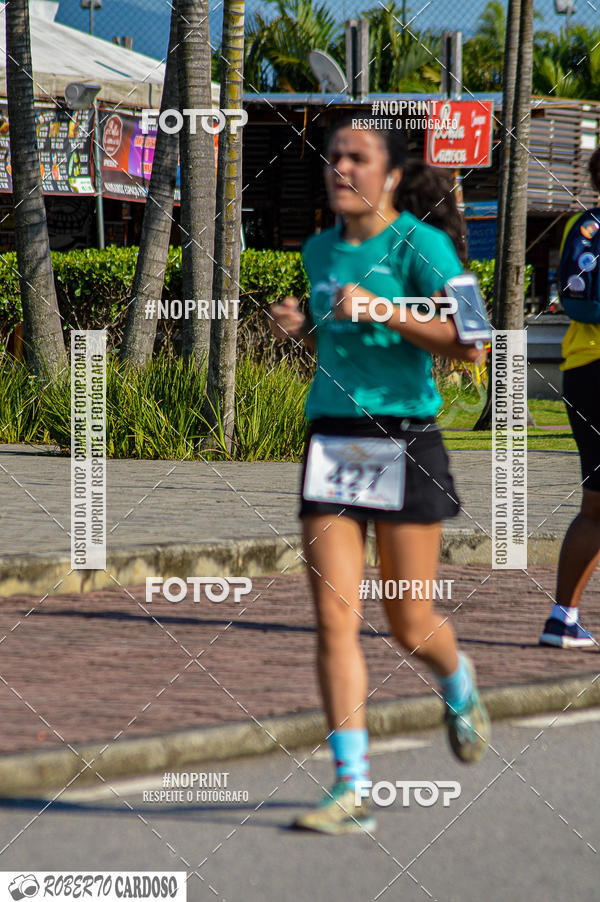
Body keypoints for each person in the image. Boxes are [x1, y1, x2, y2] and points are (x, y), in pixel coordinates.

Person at [268, 115, 490, 836]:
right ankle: (351, 788)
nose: (341, 168)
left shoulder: (422, 245)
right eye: (334, 157)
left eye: (357, 158)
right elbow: (335, 326)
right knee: (335, 616)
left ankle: (458, 684)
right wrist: (301, 323)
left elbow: (475, 344)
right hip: (333, 437)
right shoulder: (317, 248)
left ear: (390, 175)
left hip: (404, 438)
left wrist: (387, 310)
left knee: (408, 620)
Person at [539, 147, 600, 649]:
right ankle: (561, 618)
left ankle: (563, 617)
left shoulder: (581, 227)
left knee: (596, 503)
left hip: (583, 371)